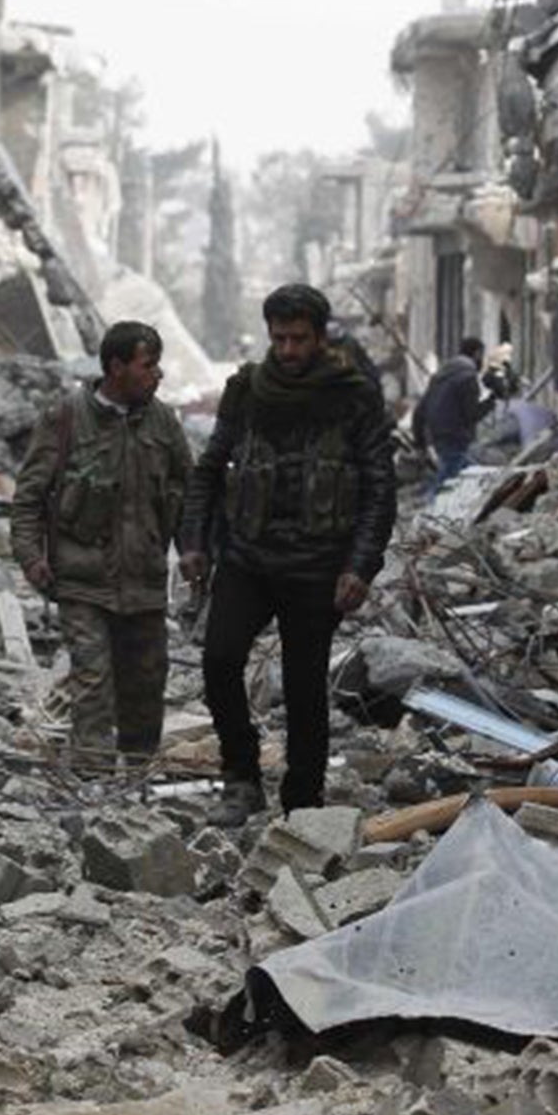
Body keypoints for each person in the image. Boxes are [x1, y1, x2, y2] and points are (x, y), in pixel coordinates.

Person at [181, 284, 397, 824]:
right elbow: (209, 471)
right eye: (279, 338)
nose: (288, 350)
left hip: (318, 568)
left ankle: (303, 801)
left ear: (320, 338)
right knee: (219, 661)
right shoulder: (248, 391)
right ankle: (241, 778)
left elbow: (378, 485)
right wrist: (193, 543)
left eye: (299, 339)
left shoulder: (353, 395)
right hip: (248, 559)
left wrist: (361, 565)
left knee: (304, 691)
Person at [9, 321, 192, 774]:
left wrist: (192, 551)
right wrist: (31, 559)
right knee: (92, 678)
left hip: (145, 580)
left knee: (147, 679)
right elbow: (28, 498)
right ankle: (92, 775)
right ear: (116, 367)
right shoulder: (66, 419)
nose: (158, 375)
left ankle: (137, 773)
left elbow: (189, 495)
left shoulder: (164, 422)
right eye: (148, 365)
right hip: (82, 578)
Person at [411, 336, 490, 497]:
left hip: (439, 435)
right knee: (447, 480)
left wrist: (419, 443)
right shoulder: (467, 376)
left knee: (465, 472)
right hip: (455, 435)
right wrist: (491, 401)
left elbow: (420, 411)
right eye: (482, 355)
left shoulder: (440, 376)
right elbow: (471, 414)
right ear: (477, 353)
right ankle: (430, 510)